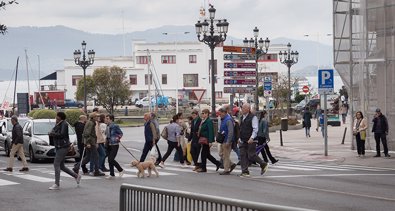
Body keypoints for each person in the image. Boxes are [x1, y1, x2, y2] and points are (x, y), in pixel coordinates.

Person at [48, 112, 81, 190]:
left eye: (57, 117)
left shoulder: (64, 124)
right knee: (61, 166)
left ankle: (57, 184)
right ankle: (76, 176)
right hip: (60, 146)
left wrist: (52, 134)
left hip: (63, 146)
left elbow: (62, 134)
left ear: (60, 117)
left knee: (56, 163)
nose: (56, 118)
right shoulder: (59, 124)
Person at [239, 103, 268, 177]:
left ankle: (263, 163)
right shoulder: (242, 117)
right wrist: (239, 138)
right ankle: (245, 171)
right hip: (243, 139)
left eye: (243, 108)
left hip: (251, 139)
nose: (242, 109)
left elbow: (255, 129)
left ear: (248, 109)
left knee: (251, 155)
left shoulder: (253, 117)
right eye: (242, 108)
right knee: (243, 154)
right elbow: (241, 128)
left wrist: (252, 137)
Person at [217, 107, 236, 175]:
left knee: (225, 155)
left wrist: (228, 141)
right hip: (223, 140)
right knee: (222, 154)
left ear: (224, 112)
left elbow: (231, 131)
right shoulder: (224, 119)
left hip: (226, 140)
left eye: (221, 113)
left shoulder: (228, 120)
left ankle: (226, 170)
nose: (220, 115)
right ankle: (231, 164)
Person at [105, 114, 125, 179]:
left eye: (107, 118)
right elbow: (107, 135)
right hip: (108, 144)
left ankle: (120, 170)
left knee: (111, 159)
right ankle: (112, 173)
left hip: (114, 144)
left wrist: (118, 138)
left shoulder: (115, 126)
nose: (106, 120)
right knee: (109, 160)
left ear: (111, 119)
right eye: (106, 118)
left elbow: (121, 133)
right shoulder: (107, 126)